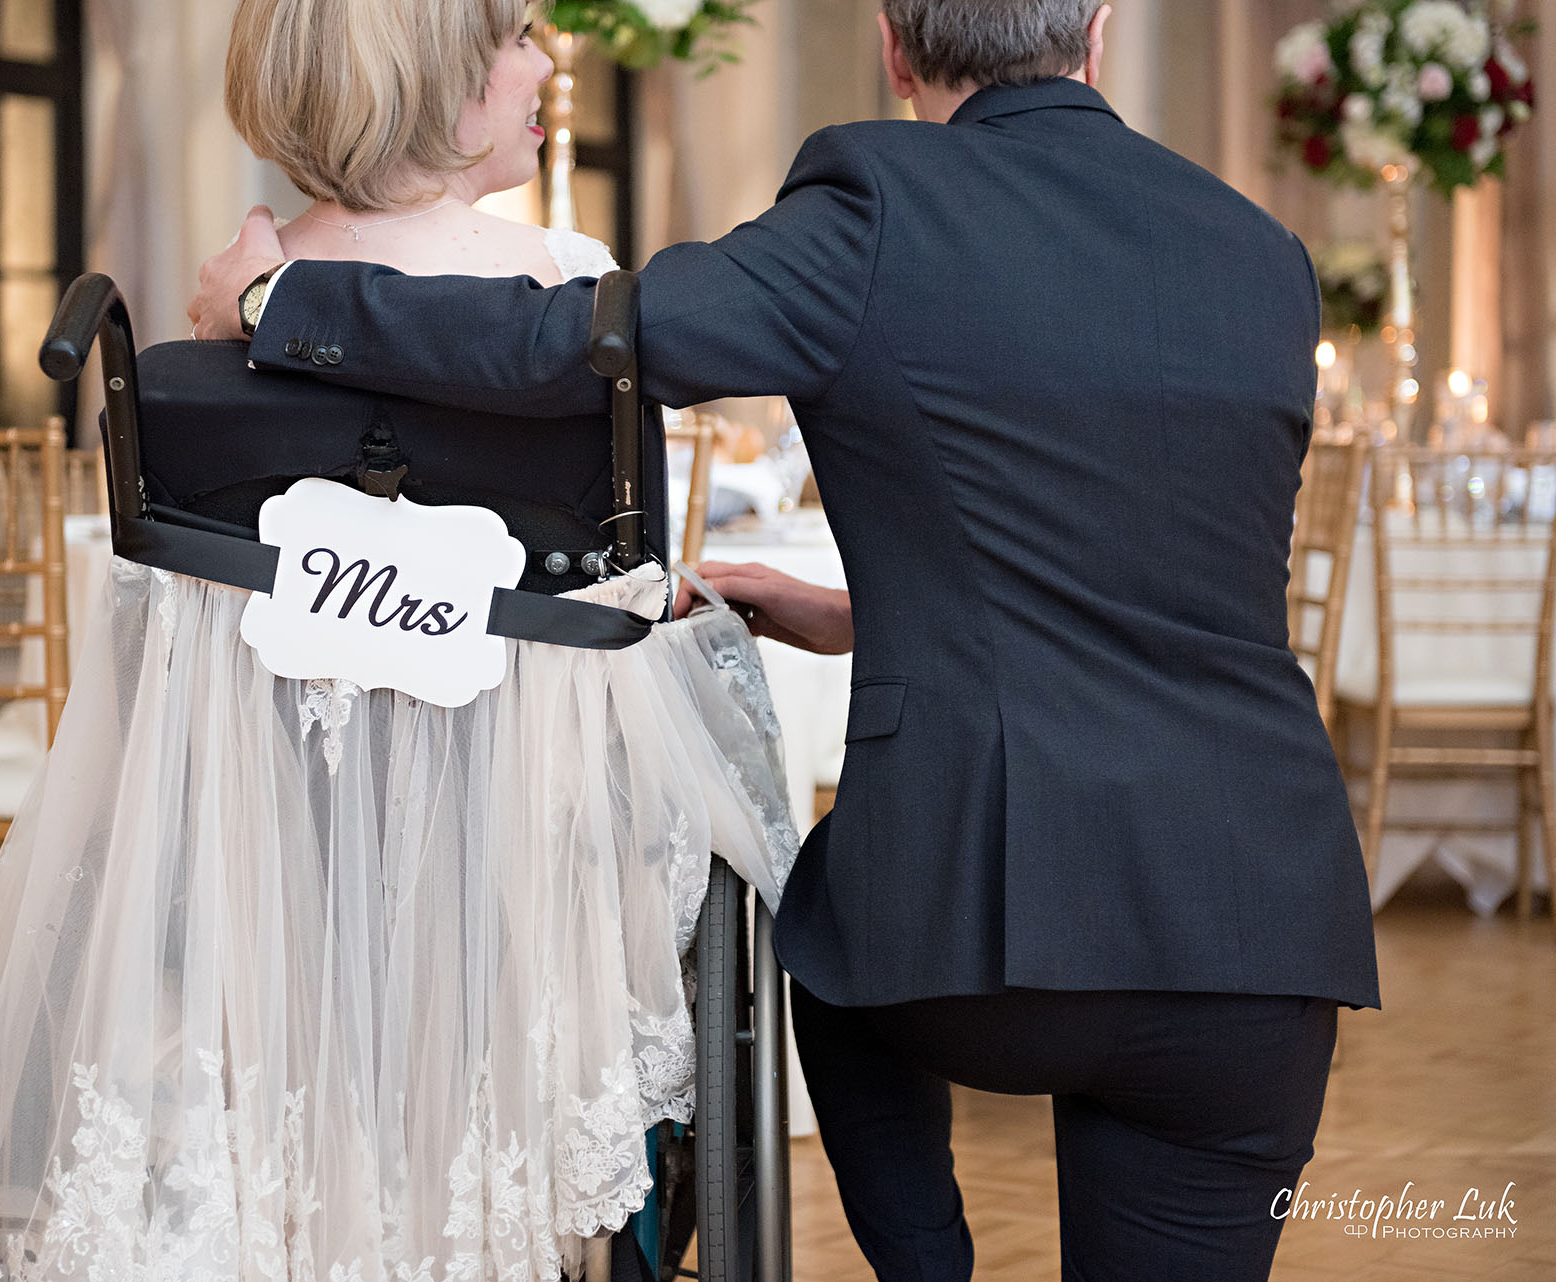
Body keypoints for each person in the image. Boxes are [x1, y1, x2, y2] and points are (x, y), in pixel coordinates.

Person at [187, 1, 1382, 1277]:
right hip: (1258, 924)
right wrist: (883, 617)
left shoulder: (876, 202)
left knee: (822, 936)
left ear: (895, 44)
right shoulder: (1261, 253)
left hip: (980, 939)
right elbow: (1145, 557)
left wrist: (279, 298)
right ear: (1097, 34)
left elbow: (582, 343)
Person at [0, 3, 795, 1279]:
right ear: (430, 83)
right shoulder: (570, 295)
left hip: (268, 883)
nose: (545, 58)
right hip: (527, 888)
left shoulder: (211, 335)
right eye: (511, 35)